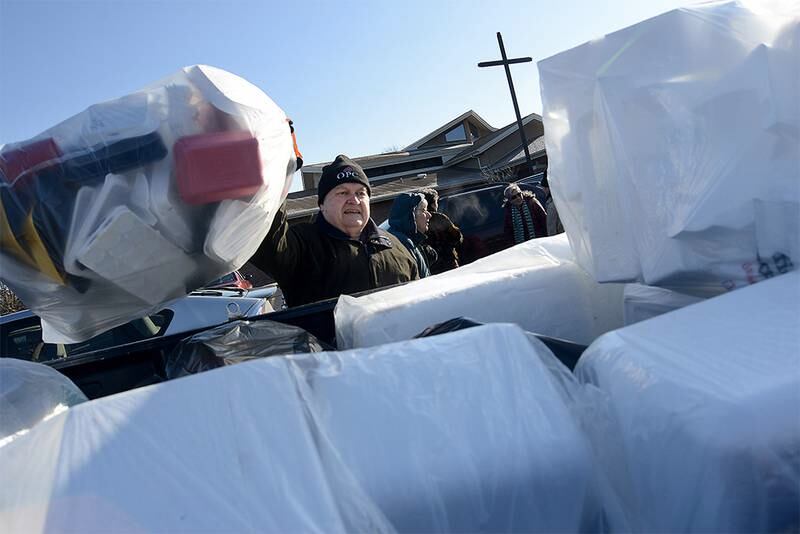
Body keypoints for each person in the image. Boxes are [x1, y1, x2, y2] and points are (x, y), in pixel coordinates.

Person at [249, 154, 419, 307]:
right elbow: (265, 233)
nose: (354, 200)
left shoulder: (396, 247)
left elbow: (418, 304)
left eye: (361, 193)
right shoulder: (300, 245)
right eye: (343, 192)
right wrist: (277, 164)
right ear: (322, 204)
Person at [387, 192, 433, 277]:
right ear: (411, 215)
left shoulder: (406, 239)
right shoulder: (404, 243)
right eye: (423, 210)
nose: (429, 215)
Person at [420, 188, 463, 274]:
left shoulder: (418, 220)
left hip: (430, 267)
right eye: (436, 202)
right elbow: (457, 237)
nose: (437, 205)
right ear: (432, 204)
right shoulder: (440, 218)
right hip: (448, 263)